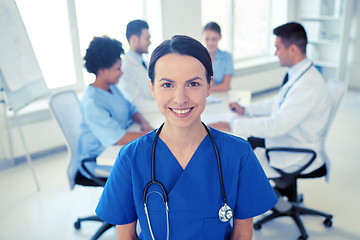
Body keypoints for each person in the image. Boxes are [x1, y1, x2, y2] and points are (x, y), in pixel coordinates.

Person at [96, 35, 277, 240]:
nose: (180, 99)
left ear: (209, 86)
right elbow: (126, 237)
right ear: (152, 87)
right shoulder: (130, 158)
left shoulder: (238, 154)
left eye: (193, 84)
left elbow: (242, 235)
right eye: (167, 85)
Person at [210, 22, 331, 178]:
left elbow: (276, 125)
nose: (275, 53)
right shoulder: (299, 74)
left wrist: (231, 124)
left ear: (293, 49)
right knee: (245, 141)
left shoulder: (308, 84)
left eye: (277, 48)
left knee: (235, 160)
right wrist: (246, 110)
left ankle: (268, 200)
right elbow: (276, 102)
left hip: (294, 151)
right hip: (287, 138)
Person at [77, 36, 153, 180]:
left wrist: (143, 122)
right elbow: (119, 138)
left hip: (117, 149)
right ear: (102, 70)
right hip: (99, 159)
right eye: (118, 68)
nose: (122, 72)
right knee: (150, 164)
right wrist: (157, 135)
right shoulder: (92, 102)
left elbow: (131, 109)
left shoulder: (112, 88)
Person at [117, 19, 158, 113]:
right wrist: (165, 104)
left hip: (153, 114)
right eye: (147, 39)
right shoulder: (125, 69)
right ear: (134, 39)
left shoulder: (145, 63)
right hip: (144, 118)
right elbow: (137, 104)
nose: (150, 42)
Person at [203, 22, 235, 92]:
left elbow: (225, 86)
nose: (210, 43)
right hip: (204, 97)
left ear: (220, 37)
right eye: (207, 39)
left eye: (214, 39)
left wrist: (204, 89)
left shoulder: (227, 57)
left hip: (223, 96)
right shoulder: (199, 57)